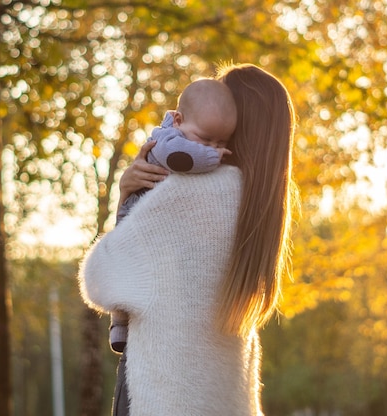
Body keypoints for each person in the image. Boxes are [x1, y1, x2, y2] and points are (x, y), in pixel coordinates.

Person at [79, 63, 296, 415]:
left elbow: (100, 279)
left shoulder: (182, 192)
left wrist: (127, 199)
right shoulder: (260, 210)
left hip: (162, 401)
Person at [109, 78, 237, 353]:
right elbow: (178, 156)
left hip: (168, 333)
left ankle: (120, 323)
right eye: (205, 140)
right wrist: (212, 157)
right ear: (178, 119)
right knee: (121, 271)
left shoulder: (223, 185)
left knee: (124, 271)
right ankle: (119, 324)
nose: (212, 148)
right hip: (134, 214)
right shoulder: (168, 138)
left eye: (221, 142)